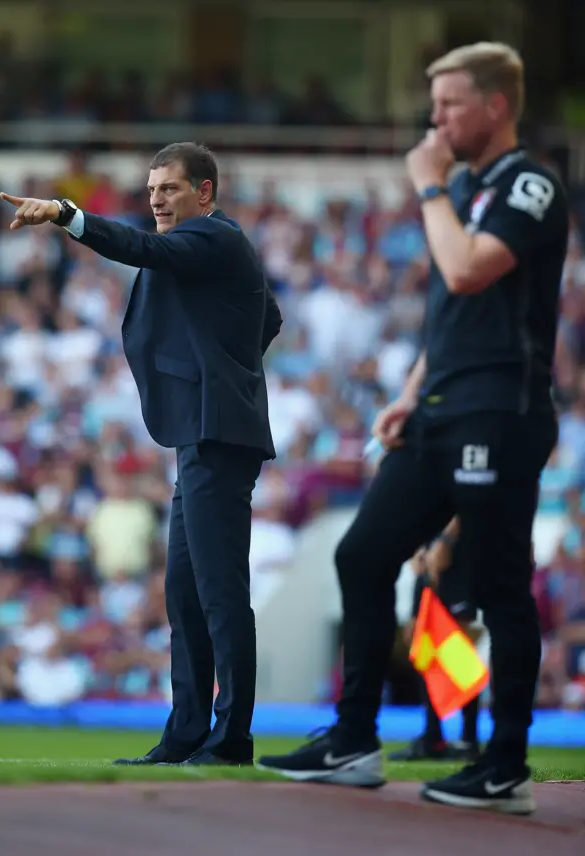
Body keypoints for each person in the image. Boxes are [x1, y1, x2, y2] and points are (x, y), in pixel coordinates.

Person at [258, 42, 568, 815]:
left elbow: (467, 271)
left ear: (496, 107)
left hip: (501, 409)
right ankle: (354, 738)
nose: (434, 121)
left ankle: (504, 765)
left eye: (450, 105)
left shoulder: (527, 184)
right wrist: (407, 390)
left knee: (499, 585)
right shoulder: (464, 187)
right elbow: (453, 313)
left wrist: (431, 187)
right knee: (364, 555)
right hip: (440, 407)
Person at [0, 142, 283, 766]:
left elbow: (144, 250)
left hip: (217, 436)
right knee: (185, 594)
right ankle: (186, 733)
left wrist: (64, 214)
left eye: (170, 189)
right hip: (202, 436)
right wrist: (228, 358)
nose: (156, 199)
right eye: (151, 190)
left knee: (218, 591)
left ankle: (231, 737)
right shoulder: (207, 253)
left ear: (204, 193)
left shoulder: (213, 238)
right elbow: (270, 315)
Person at [388, 517, 481, 763]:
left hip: (455, 558)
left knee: (458, 653)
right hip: (434, 554)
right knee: (425, 650)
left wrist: (446, 540)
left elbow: (463, 500)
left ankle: (468, 738)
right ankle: (434, 736)